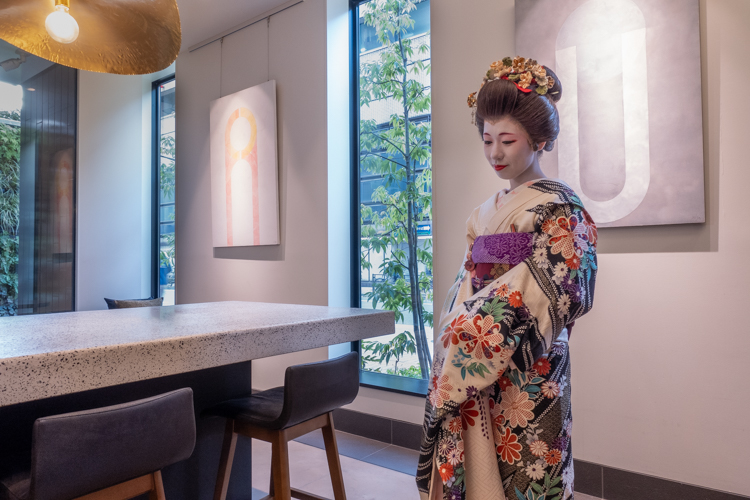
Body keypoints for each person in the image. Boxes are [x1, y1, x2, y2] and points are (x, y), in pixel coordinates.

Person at [417, 57, 598, 500]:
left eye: (507, 140)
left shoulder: (561, 209)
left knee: (529, 468)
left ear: (539, 140)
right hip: (473, 348)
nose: (495, 153)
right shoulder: (482, 213)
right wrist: (453, 331)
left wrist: (477, 334)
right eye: (487, 140)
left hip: (529, 365)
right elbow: (465, 283)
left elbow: (561, 288)